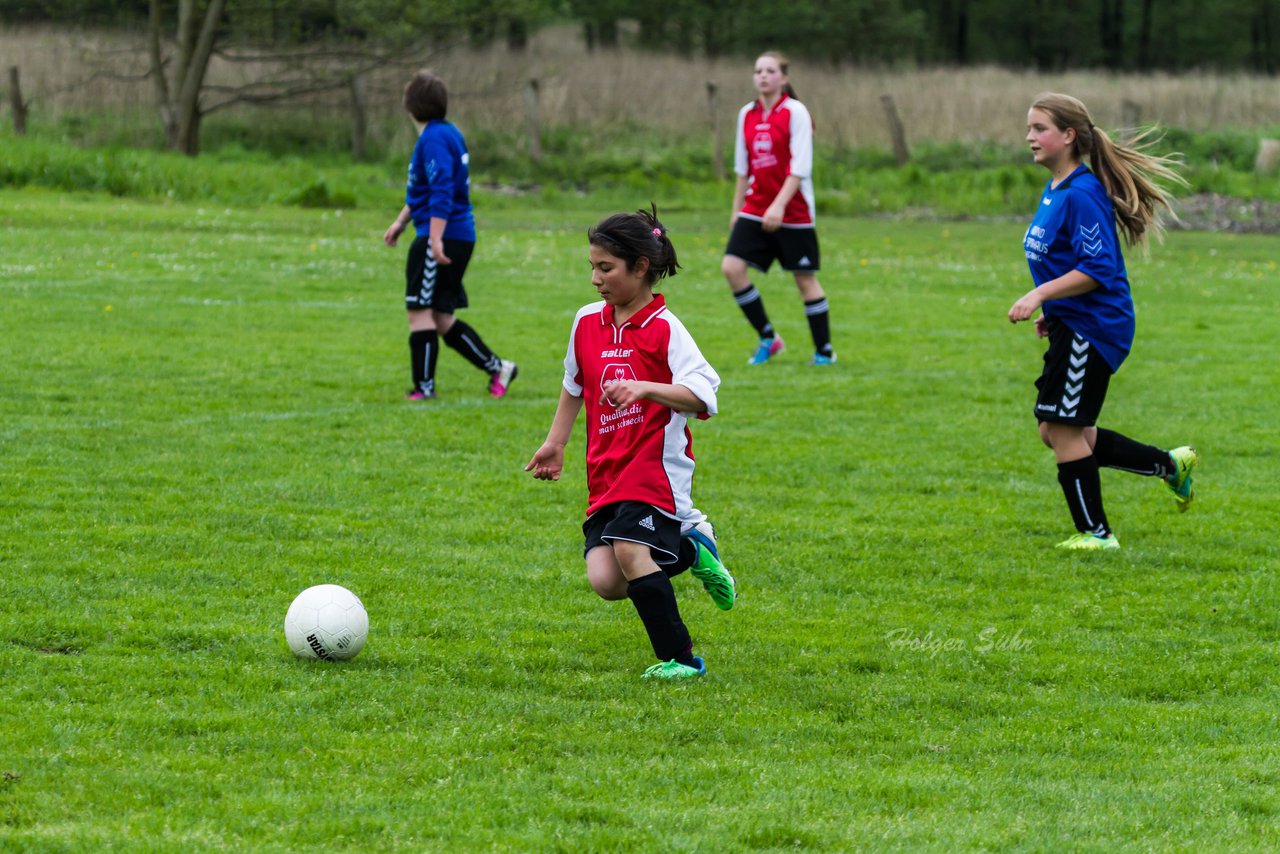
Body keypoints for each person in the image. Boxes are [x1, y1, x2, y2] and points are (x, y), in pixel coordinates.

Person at [525, 206, 736, 680]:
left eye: (607, 268)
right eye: (592, 268)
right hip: (607, 467)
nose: (596, 279)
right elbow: (573, 383)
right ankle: (692, 549)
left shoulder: (666, 329)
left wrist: (646, 387)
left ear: (641, 267)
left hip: (653, 468)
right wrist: (555, 443)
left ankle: (682, 660)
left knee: (628, 549)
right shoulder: (586, 322)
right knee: (606, 581)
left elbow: (705, 393)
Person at [1008, 92, 1198, 550]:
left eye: (1040, 129)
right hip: (1072, 323)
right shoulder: (1056, 190)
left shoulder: (1083, 194)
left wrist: (1039, 295)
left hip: (1095, 327)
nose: (1029, 136)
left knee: (1064, 429)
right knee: (1055, 429)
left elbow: (1097, 269)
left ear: (1069, 136)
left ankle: (1096, 534)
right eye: (1029, 128)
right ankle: (1170, 466)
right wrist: (1054, 313)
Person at [383, 69, 518, 400]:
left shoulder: (432, 139)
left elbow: (442, 189)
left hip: (441, 234)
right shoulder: (448, 132)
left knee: (419, 311)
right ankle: (498, 368)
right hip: (455, 232)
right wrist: (401, 222)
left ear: (410, 107)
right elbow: (426, 191)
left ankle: (424, 389)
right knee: (441, 316)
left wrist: (435, 238)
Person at [722, 51, 835, 366]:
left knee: (804, 279)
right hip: (756, 206)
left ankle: (824, 352)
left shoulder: (795, 112)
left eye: (770, 70)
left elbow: (800, 168)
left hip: (793, 210)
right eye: (758, 70)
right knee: (731, 268)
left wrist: (779, 207)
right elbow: (743, 170)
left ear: (783, 78)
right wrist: (736, 210)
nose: (762, 75)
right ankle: (769, 337)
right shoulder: (746, 113)